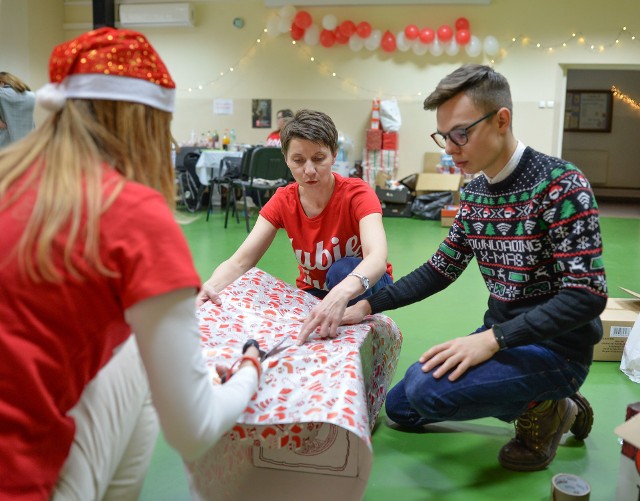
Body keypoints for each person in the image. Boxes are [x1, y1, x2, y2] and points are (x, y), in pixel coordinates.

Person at [0, 27, 261, 500]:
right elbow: (194, 429)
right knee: (145, 361)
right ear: (147, 125)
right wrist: (249, 371)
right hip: (18, 482)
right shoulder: (132, 213)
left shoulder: (9, 180)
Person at [342, 64, 608, 472]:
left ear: (502, 120)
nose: (450, 148)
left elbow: (587, 295)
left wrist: (492, 340)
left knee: (427, 393)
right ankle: (547, 399)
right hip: (502, 337)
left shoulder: (561, 184)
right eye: (444, 136)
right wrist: (367, 305)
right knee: (401, 409)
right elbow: (440, 269)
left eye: (461, 134)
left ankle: (551, 403)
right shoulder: (477, 191)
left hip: (557, 349)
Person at [197, 109, 394, 344]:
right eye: (298, 161)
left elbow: (377, 257)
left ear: (334, 154)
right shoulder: (283, 200)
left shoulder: (357, 194)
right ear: (286, 159)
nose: (309, 170)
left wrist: (339, 294)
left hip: (366, 284)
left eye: (319, 159)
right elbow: (241, 261)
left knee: (342, 271)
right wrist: (210, 287)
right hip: (315, 290)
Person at [0, 71, 35, 147]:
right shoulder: (31, 95)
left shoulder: (1, 93)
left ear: (1, 82)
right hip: (28, 145)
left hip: (5, 147)